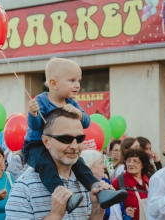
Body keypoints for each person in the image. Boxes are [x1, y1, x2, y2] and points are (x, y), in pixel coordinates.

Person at [24, 57, 126, 212]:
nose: (77, 85)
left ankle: (99, 189)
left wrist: (79, 113)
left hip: (61, 146)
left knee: (80, 164)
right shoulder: (41, 101)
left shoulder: (71, 103)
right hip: (37, 146)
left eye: (79, 80)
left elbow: (86, 123)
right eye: (72, 80)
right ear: (53, 83)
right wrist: (33, 113)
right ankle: (64, 195)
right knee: (46, 166)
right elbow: (36, 125)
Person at [6, 109, 113, 219]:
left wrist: (97, 211)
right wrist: (55, 215)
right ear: (46, 141)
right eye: (66, 138)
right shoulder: (24, 187)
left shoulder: (86, 184)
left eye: (80, 138)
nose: (74, 146)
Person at [81, 150, 131, 220]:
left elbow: (117, 212)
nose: (104, 166)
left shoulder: (106, 183)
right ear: (89, 166)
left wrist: (126, 213)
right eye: (101, 163)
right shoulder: (82, 191)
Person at [112, 148, 151, 220]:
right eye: (128, 161)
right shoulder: (118, 182)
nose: (131, 164)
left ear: (143, 164)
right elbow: (111, 208)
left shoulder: (149, 180)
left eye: (135, 161)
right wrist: (124, 211)